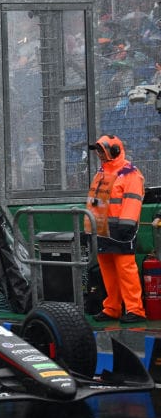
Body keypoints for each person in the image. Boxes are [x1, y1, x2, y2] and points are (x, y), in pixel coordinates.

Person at [86, 135, 146, 323]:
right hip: (102, 229)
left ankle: (135, 309)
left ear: (115, 151)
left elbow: (132, 200)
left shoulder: (130, 173)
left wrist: (126, 225)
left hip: (121, 230)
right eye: (98, 151)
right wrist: (90, 227)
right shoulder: (101, 173)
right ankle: (112, 307)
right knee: (108, 271)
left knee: (125, 269)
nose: (99, 155)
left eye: (102, 151)